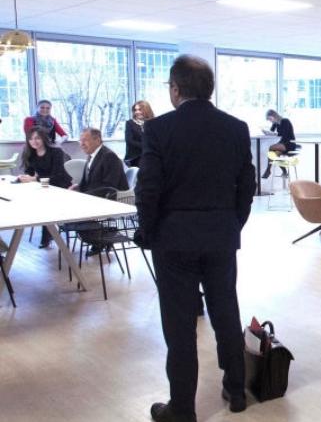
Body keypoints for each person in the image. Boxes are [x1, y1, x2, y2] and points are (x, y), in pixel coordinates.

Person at [136, 55, 255, 422]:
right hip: (220, 236)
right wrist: (232, 224)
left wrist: (149, 231)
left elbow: (148, 188)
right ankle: (237, 391)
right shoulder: (236, 128)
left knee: (180, 325)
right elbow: (246, 187)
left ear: (175, 89)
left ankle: (183, 408)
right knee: (225, 312)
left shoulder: (158, 129)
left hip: (173, 240)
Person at [71, 128, 129, 256]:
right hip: (97, 197)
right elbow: (88, 182)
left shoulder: (109, 156)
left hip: (112, 200)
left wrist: (83, 197)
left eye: (85, 140)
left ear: (97, 140)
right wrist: (76, 188)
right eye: (80, 141)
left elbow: (109, 186)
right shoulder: (92, 156)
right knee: (70, 214)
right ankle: (102, 237)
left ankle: (104, 237)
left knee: (74, 216)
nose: (81, 144)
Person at [19, 127, 73, 248]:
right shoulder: (30, 154)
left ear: (44, 138)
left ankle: (47, 237)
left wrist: (35, 179)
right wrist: (24, 177)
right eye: (31, 139)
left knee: (46, 204)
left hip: (61, 187)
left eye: (37, 138)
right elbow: (29, 173)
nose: (34, 141)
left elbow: (57, 176)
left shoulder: (56, 152)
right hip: (45, 187)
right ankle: (48, 236)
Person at [261, 110, 296, 178]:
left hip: (289, 143)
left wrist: (273, 133)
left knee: (271, 148)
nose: (270, 121)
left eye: (270, 119)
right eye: (269, 120)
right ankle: (284, 172)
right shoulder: (275, 123)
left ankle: (268, 170)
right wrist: (266, 132)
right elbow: (271, 131)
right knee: (274, 154)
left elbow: (284, 135)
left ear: (274, 116)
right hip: (282, 144)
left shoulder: (285, 121)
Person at [125, 100, 155, 168]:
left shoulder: (153, 122)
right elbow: (129, 140)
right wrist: (145, 146)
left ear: (146, 110)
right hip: (135, 157)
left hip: (150, 155)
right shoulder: (130, 123)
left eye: (140, 110)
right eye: (135, 110)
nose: (137, 112)